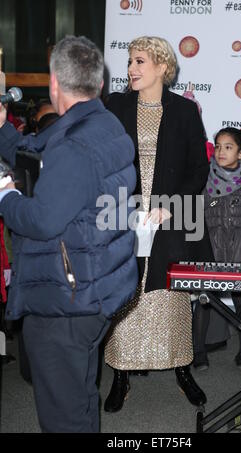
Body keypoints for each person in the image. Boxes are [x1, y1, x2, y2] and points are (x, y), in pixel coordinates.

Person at [0, 35, 138, 433]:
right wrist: (4, 130)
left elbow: (42, 220)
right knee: (79, 399)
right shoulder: (101, 122)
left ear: (54, 83)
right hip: (93, 291)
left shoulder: (75, 146)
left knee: (63, 414)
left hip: (66, 300)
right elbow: (38, 153)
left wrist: (5, 197)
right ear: (96, 83)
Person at [103, 36, 214, 412]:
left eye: (140, 62)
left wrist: (171, 206)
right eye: (130, 62)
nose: (131, 69)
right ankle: (120, 375)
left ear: (163, 67)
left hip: (170, 214)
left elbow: (199, 168)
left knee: (169, 294)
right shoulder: (115, 105)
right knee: (124, 291)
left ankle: (182, 368)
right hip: (124, 213)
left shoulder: (184, 110)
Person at [193, 128, 241, 372]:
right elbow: (205, 204)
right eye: (219, 146)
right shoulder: (207, 176)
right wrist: (217, 200)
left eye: (228, 147)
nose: (221, 151)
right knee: (206, 297)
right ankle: (199, 350)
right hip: (212, 242)